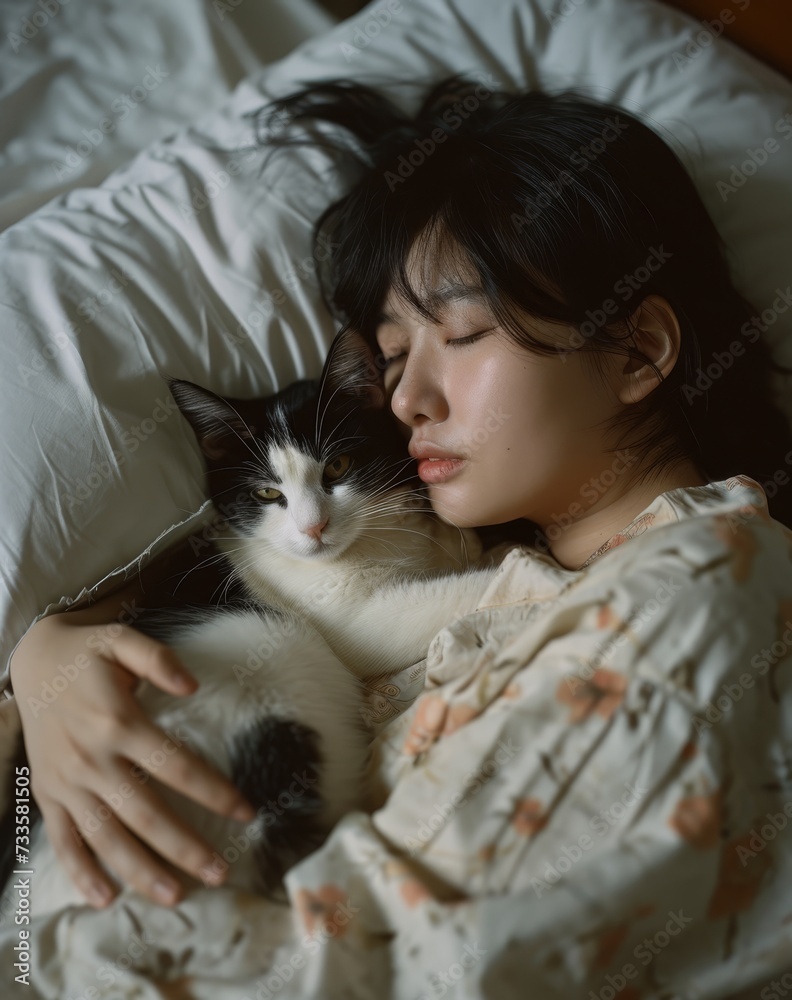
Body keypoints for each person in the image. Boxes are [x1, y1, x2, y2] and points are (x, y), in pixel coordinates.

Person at [7, 70, 792, 949]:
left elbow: (438, 963)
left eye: (460, 336)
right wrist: (46, 664)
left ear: (636, 349)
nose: (406, 398)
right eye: (389, 356)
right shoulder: (477, 564)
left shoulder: (698, 591)